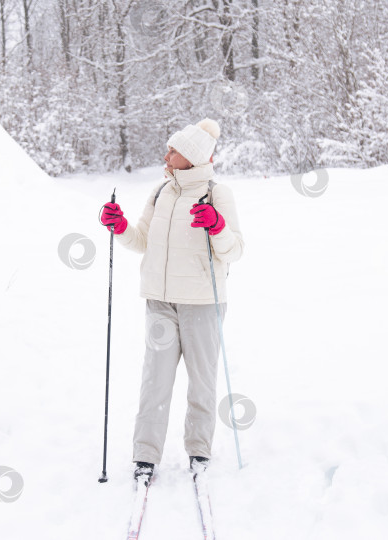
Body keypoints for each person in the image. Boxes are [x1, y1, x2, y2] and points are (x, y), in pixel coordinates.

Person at [99, 118, 244, 483]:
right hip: (160, 302)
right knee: (155, 381)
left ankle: (199, 451)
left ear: (191, 157)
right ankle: (145, 456)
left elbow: (234, 250)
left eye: (173, 150)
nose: (166, 155)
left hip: (202, 302)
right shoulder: (161, 192)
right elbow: (142, 240)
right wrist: (120, 228)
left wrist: (217, 225)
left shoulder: (216, 193)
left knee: (201, 381)